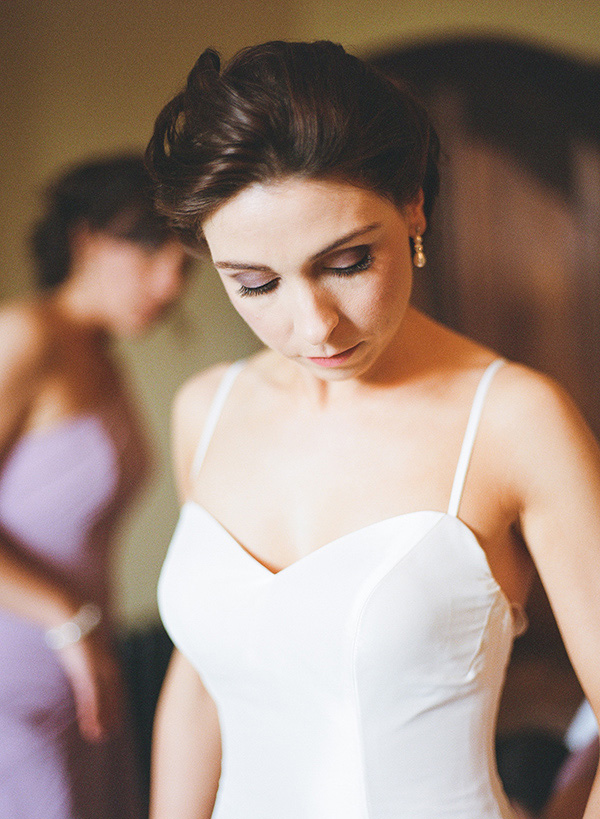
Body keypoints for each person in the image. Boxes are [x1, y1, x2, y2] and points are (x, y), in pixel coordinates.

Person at [145, 41, 600, 819]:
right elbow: (202, 679)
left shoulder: (517, 419)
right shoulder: (205, 408)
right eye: (254, 283)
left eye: (349, 261)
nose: (313, 324)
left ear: (414, 204)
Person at [0, 154, 188, 818]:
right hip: (16, 673)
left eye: (184, 265)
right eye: (149, 254)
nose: (170, 283)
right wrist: (63, 617)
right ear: (86, 238)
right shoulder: (25, 335)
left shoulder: (102, 355)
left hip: (84, 669)